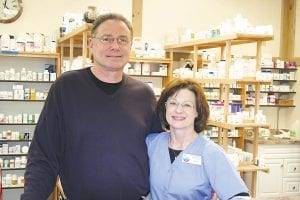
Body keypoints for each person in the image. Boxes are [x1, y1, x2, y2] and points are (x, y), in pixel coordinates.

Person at [21, 13, 162, 200]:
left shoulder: (144, 94)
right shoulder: (67, 87)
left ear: (130, 46)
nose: (115, 46)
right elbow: (44, 154)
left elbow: (160, 152)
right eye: (106, 39)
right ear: (91, 45)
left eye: (122, 40)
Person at [146, 78, 250, 200]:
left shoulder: (211, 153)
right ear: (165, 108)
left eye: (187, 105)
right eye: (173, 103)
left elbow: (239, 196)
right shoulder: (152, 143)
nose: (178, 110)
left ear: (197, 112)